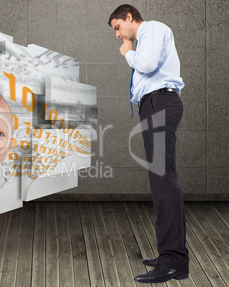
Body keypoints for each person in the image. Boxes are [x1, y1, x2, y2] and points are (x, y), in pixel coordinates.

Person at [108, 4, 189, 284]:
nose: (118, 35)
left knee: (163, 181)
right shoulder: (146, 37)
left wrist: (128, 51)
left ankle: (173, 261)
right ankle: (171, 255)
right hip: (154, 105)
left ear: (129, 17)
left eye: (118, 27)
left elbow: (147, 64)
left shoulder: (152, 29)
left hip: (159, 104)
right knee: (161, 181)